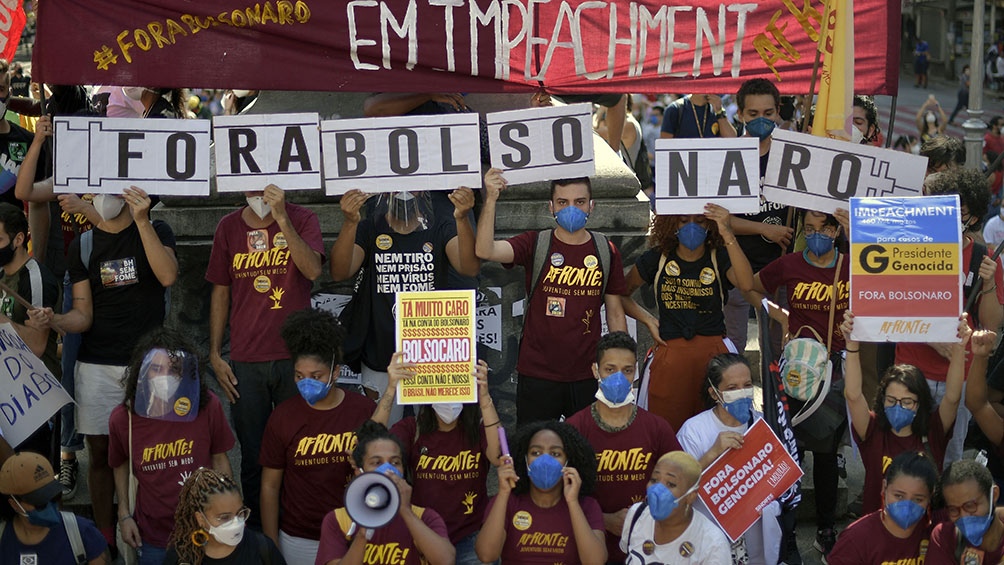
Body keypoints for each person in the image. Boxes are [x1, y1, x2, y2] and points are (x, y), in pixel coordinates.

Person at [28, 183, 177, 554]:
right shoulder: (83, 245)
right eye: (99, 192)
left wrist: (141, 221)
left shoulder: (157, 231)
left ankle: (149, 533)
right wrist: (57, 320)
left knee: (152, 452)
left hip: (149, 365)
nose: (104, 199)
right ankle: (105, 538)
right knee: (98, 453)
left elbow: (168, 276)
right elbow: (83, 313)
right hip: (96, 363)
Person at [206, 182, 324, 527]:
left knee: (301, 451)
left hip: (297, 361)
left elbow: (314, 270)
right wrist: (215, 353)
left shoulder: (303, 218)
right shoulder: (228, 226)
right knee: (254, 458)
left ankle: (299, 527)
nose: (256, 191)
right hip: (246, 360)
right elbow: (220, 292)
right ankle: (259, 537)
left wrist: (282, 218)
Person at [476, 169, 627, 425]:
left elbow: (615, 312)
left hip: (588, 374)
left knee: (584, 453)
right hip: (537, 374)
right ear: (551, 207)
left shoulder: (606, 250)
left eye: (579, 202)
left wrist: (619, 369)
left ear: (592, 206)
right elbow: (484, 249)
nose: (572, 209)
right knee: (533, 448)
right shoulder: (536, 243)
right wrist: (490, 198)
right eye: (562, 202)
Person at [745, 209, 849, 557]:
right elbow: (748, 283)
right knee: (791, 451)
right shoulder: (789, 264)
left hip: (832, 372)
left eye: (823, 228)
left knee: (827, 455)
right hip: (794, 371)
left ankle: (825, 528)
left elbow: (886, 285)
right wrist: (776, 312)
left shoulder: (851, 266)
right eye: (809, 228)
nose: (816, 235)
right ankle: (787, 532)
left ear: (835, 232)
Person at [331, 186, 478, 425]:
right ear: (382, 192)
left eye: (414, 188)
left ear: (426, 193)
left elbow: (469, 268)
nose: (405, 194)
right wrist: (350, 222)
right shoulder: (369, 228)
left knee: (432, 435)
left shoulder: (440, 226)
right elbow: (340, 272)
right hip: (381, 352)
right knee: (382, 433)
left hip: (430, 353)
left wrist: (461, 218)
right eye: (394, 188)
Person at [900, 167, 1004, 466]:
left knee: (950, 458)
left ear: (974, 217)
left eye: (964, 213)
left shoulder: (983, 256)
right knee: (905, 453)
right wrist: (931, 339)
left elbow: (991, 323)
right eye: (949, 209)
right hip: (912, 368)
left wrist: (988, 283)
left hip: (958, 375)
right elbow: (892, 303)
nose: (956, 218)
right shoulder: (910, 246)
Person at [108, 328, 235, 565]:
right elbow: (120, 465)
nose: (165, 376)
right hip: (154, 537)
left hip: (205, 529)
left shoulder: (208, 407)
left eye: (174, 369)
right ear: (141, 371)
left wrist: (228, 514)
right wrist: (124, 515)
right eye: (156, 369)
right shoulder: (123, 418)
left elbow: (220, 459)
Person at [259, 308, 376, 565]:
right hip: (298, 539)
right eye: (299, 376)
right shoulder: (282, 416)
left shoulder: (363, 410)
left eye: (316, 376)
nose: (306, 383)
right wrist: (271, 544)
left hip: (353, 533)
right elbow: (269, 485)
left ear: (336, 372)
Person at [622, 206, 752, 430]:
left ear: (709, 225)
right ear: (672, 224)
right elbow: (620, 292)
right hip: (670, 355)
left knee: (720, 427)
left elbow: (747, 284)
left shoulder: (718, 256)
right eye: (683, 220)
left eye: (700, 221)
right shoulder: (658, 257)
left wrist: (727, 232)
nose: (692, 226)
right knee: (667, 430)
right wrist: (647, 320)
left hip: (714, 356)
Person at [567, 331, 683, 562]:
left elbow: (680, 483)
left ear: (635, 373)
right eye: (610, 369)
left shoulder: (656, 428)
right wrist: (605, 520)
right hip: (592, 549)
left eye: (627, 370)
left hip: (649, 548)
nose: (618, 378)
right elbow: (557, 496)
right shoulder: (574, 429)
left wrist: (646, 515)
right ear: (595, 371)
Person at [378, 355, 500, 565]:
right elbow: (371, 445)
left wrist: (485, 398)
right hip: (423, 534)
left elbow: (498, 457)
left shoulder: (479, 431)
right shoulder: (411, 428)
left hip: (470, 537)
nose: (447, 394)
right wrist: (390, 389)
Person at [842, 311, 969, 514]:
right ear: (882, 400)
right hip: (879, 533)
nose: (898, 406)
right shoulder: (872, 430)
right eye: (891, 400)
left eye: (907, 401)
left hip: (922, 536)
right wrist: (852, 345)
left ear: (920, 404)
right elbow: (853, 396)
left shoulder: (933, 431)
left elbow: (953, 398)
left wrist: (960, 348)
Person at [677, 353, 780, 565]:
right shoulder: (693, 431)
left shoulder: (762, 425)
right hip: (708, 544)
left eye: (747, 385)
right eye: (732, 388)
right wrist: (712, 454)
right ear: (715, 393)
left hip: (756, 545)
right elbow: (677, 490)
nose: (742, 393)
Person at [316, 420, 456, 565]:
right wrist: (362, 533)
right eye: (376, 462)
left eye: (395, 462)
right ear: (359, 471)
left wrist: (406, 511)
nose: (388, 470)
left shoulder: (425, 517)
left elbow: (446, 561)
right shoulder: (338, 520)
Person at [723, 78, 793, 358]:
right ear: (740, 115)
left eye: (768, 113)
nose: (761, 120)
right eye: (753, 114)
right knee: (733, 348)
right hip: (738, 268)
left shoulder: (793, 156)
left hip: (781, 267)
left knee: (779, 349)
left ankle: (775, 403)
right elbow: (722, 220)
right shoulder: (728, 156)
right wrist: (765, 229)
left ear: (777, 112)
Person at [475, 420, 607, 564]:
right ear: (524, 459)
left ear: (569, 462)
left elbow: (595, 561)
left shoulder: (587, 506)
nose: (545, 460)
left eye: (555, 453)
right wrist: (503, 494)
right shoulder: (508, 502)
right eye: (536, 452)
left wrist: (572, 502)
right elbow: (486, 555)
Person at [0, 203, 61, 457]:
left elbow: (36, 346)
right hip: (8, 395)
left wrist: (2, 320)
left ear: (19, 239)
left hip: (32, 401)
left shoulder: (35, 279)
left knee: (34, 481)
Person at [826, 451, 940, 564]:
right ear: (884, 487)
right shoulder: (855, 540)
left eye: (918, 499)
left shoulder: (936, 532)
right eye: (899, 496)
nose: (907, 507)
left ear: (930, 496)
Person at [619, 451, 731, 565]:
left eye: (671, 484)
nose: (657, 490)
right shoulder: (636, 515)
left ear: (690, 496)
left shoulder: (713, 544)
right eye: (654, 480)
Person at [0, 451, 108, 563]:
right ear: (14, 504)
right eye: (40, 502)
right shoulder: (3, 538)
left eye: (53, 496)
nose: (50, 505)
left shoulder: (83, 534)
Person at [165, 467, 286, 565]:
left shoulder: (262, 548)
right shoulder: (181, 556)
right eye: (224, 517)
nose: (236, 523)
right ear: (200, 518)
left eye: (240, 513)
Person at [927, 459, 1004, 563]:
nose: (964, 516)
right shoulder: (944, 537)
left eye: (970, 506)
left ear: (994, 495)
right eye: (953, 510)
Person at [660, 94, 736, 139]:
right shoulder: (675, 109)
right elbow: (665, 145)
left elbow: (732, 140)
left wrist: (720, 112)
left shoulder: (716, 109)